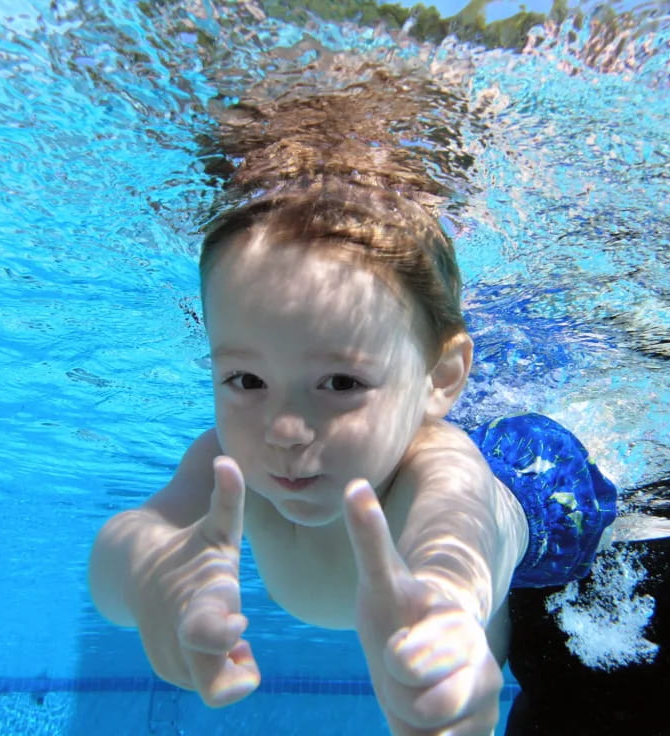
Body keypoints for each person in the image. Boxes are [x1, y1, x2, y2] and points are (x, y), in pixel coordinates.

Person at [87, 175, 617, 735]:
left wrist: (447, 616)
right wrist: (149, 574)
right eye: (246, 379)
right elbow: (131, 539)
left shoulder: (442, 465)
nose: (285, 430)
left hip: (540, 492)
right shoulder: (229, 464)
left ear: (440, 377)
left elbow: (457, 545)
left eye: (340, 382)